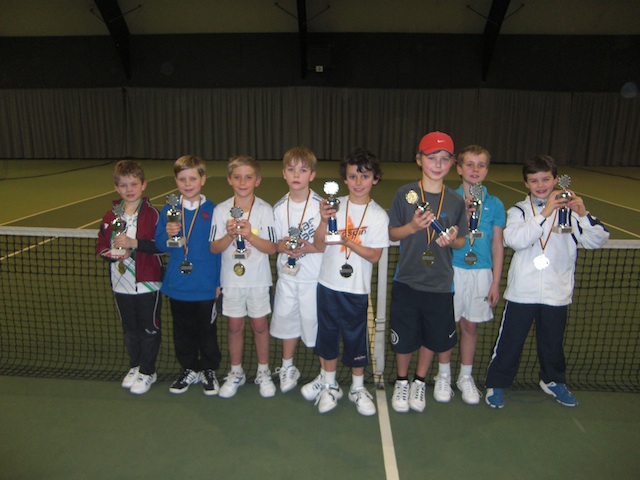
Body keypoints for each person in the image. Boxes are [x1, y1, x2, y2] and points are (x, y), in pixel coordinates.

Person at [485, 154, 609, 409]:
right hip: (522, 292)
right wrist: (545, 212)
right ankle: (496, 383)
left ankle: (553, 381)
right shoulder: (518, 211)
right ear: (526, 184)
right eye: (534, 180)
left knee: (552, 344)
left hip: (557, 292)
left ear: (555, 180)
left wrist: (583, 214)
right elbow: (515, 240)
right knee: (510, 343)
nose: (540, 185)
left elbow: (596, 240)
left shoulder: (571, 212)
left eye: (545, 179)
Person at [301, 147, 389, 416]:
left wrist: (348, 241)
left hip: (356, 289)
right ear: (344, 179)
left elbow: (374, 255)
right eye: (352, 176)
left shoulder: (378, 215)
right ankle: (329, 385)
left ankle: (357, 388)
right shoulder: (334, 206)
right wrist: (323, 221)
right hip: (327, 285)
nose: (358, 182)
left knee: (355, 338)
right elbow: (319, 244)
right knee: (327, 335)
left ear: (375, 179)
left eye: (365, 176)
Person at [388, 131, 468, 413]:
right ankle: (402, 381)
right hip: (407, 280)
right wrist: (412, 227)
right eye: (432, 157)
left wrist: (452, 240)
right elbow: (392, 233)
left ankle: (420, 381)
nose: (438, 164)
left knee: (432, 336)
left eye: (445, 159)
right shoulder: (404, 194)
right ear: (419, 160)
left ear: (452, 164)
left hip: (440, 283)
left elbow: (461, 240)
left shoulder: (456, 200)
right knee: (405, 337)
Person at [210, 155, 278, 399]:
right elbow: (214, 248)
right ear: (229, 180)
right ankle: (236, 372)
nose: (242, 182)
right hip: (231, 282)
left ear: (257, 180)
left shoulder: (265, 210)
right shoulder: (220, 211)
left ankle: (263, 372)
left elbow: (272, 248)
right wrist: (229, 236)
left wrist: (250, 236)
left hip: (259, 281)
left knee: (260, 327)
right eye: (237, 177)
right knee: (234, 327)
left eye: (248, 177)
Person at [155, 155, 222, 396]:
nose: (187, 184)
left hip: (205, 286)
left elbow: (219, 251)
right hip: (178, 285)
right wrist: (169, 235)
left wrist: (218, 283)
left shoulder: (214, 210)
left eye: (192, 178)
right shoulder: (169, 210)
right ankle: (189, 368)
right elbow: (160, 244)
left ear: (202, 179)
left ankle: (209, 369)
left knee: (207, 332)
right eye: (182, 179)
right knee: (182, 331)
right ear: (176, 181)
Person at [97, 160, 163, 395]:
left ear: (143, 185)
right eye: (123, 185)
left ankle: (148, 371)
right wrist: (112, 255)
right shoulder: (110, 216)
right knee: (130, 329)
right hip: (120, 283)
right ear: (116, 188)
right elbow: (101, 245)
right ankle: (135, 366)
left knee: (149, 328)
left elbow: (161, 246)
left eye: (134, 184)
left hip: (148, 283)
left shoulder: (153, 215)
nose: (129, 189)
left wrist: (133, 245)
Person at [451, 145, 505, 405]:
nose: (475, 170)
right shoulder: (449, 199)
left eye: (481, 165)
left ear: (487, 170)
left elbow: (497, 245)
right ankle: (442, 375)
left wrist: (495, 282)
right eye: (469, 164)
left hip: (482, 272)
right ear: (459, 169)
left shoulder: (495, 204)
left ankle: (465, 376)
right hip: (451, 270)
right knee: (444, 327)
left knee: (470, 326)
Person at [270, 147, 323, 393]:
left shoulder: (322, 207)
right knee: (286, 322)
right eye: (291, 170)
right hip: (287, 277)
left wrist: (310, 248)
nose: (296, 175)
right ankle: (287, 366)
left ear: (312, 175)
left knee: (315, 324)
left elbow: (327, 244)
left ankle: (325, 372)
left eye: (302, 170)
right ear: (284, 174)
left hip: (314, 278)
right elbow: (275, 243)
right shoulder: (278, 208)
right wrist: (282, 247)